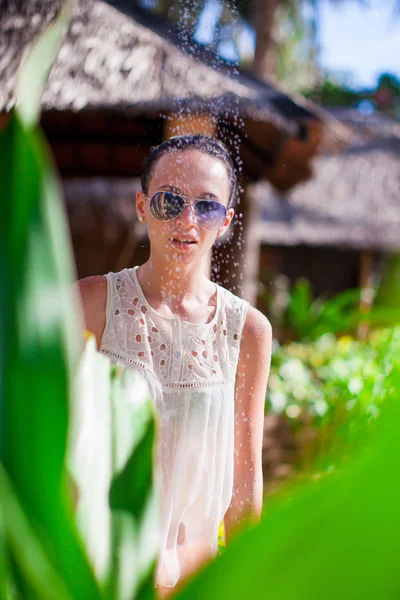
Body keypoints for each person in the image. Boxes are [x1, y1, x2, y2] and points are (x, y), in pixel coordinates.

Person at [77, 134, 272, 597]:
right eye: (170, 200)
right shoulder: (91, 305)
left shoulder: (248, 332)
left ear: (225, 221)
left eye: (206, 206)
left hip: (195, 582)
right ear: (143, 206)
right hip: (95, 575)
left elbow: (244, 486)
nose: (187, 219)